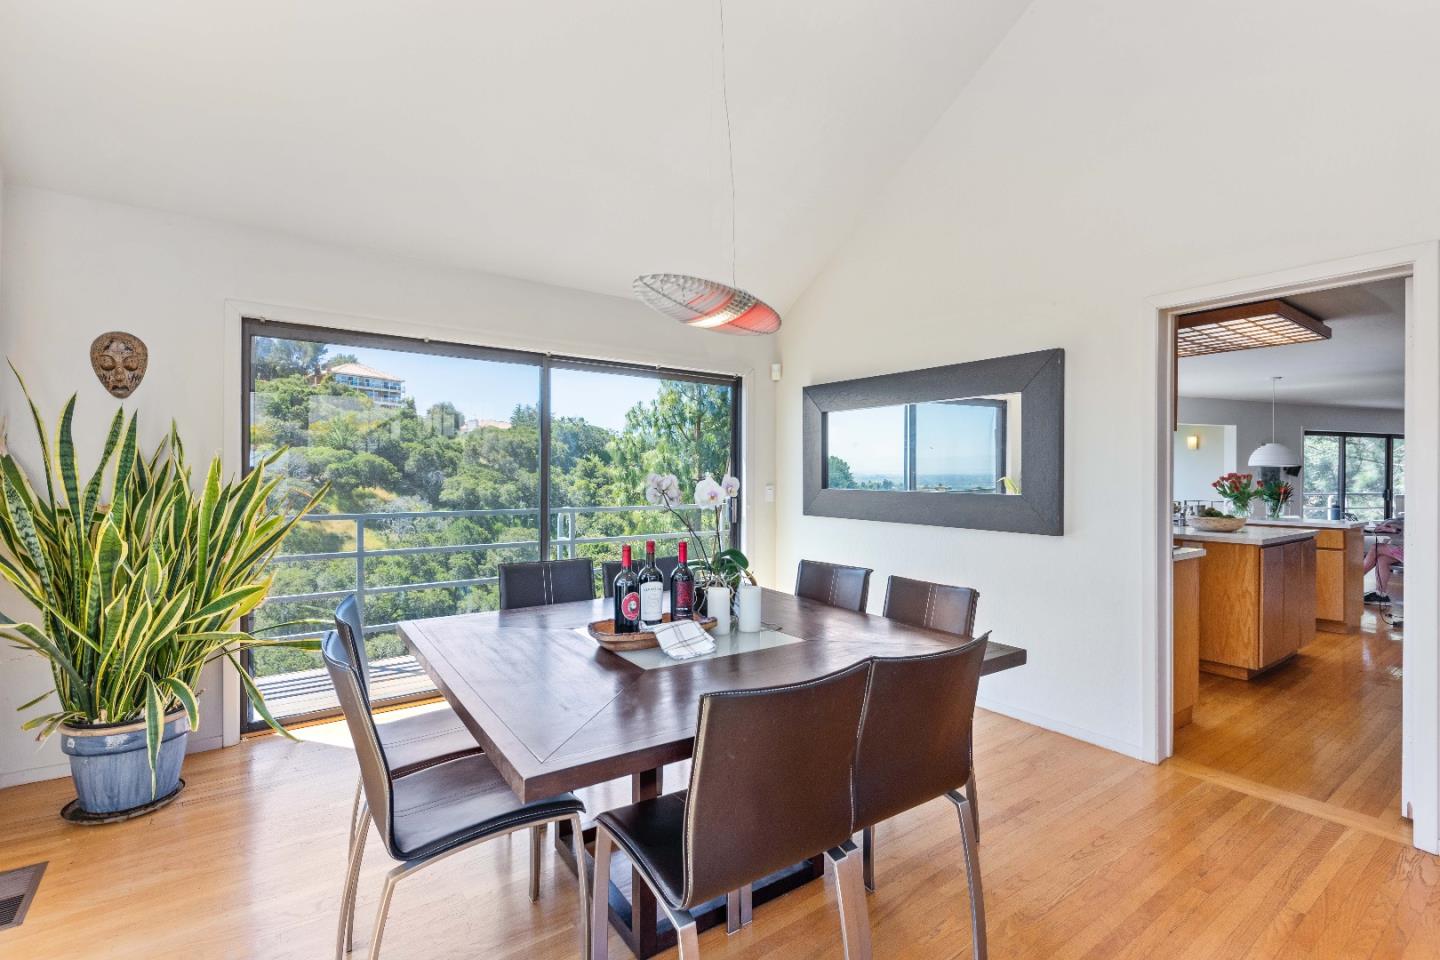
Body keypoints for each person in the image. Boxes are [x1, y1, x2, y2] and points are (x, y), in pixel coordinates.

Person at [1363, 517, 1404, 603]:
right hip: (1402, 549)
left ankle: (1355, 576)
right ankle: (1380, 595)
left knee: (1375, 547)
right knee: (1382, 560)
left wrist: (1392, 529)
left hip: (1412, 552)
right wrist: (1387, 526)